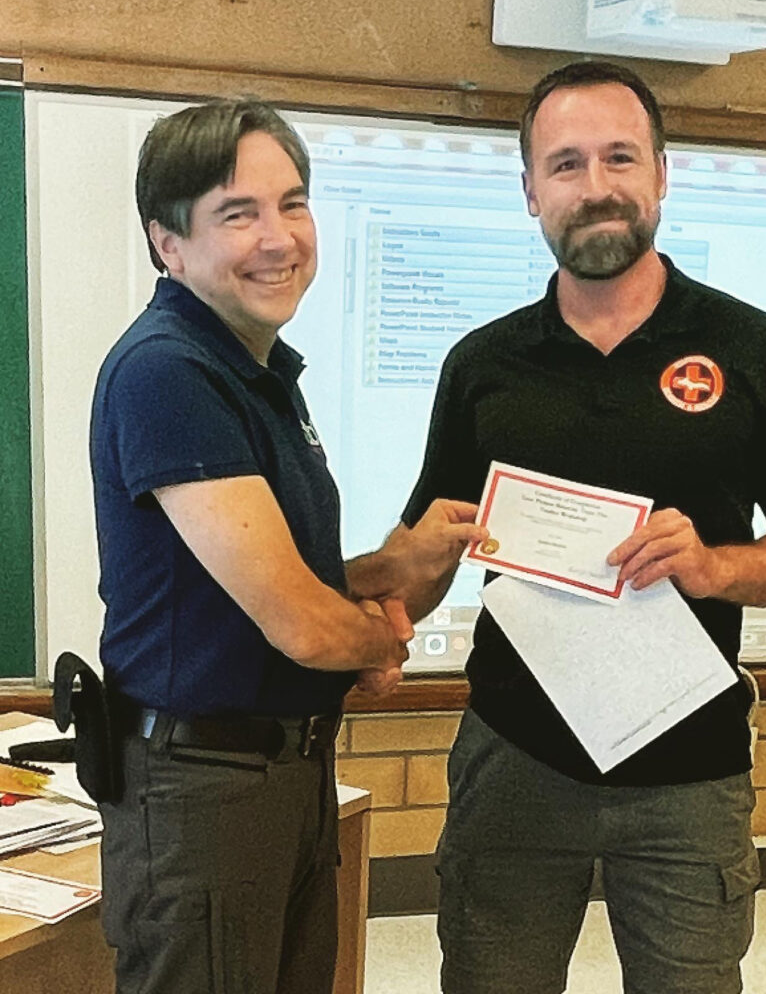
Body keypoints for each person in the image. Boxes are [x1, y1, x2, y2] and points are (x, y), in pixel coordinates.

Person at [399, 61, 766, 994]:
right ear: (530, 190)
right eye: (565, 164)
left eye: (619, 157)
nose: (596, 186)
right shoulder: (483, 363)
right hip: (514, 760)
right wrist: (365, 621)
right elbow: (428, 538)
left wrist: (719, 567)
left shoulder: (756, 348)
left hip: (690, 772)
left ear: (660, 173)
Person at [89, 99, 485, 994]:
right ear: (168, 243)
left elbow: (246, 580)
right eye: (239, 213)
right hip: (204, 790)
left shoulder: (258, 370)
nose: (279, 237)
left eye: (292, 203)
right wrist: (378, 639)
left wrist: (393, 568)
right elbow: (301, 625)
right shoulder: (170, 370)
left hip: (276, 775)